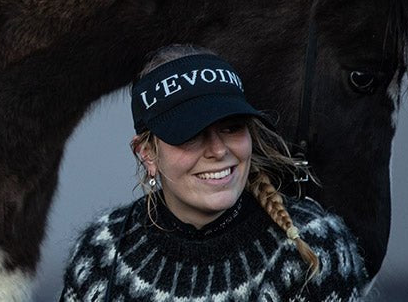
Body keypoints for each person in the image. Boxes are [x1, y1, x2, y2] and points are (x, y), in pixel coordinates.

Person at [60, 45, 369, 301]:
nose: (219, 150)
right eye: (191, 133)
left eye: (232, 127)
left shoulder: (312, 246)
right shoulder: (101, 252)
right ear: (147, 154)